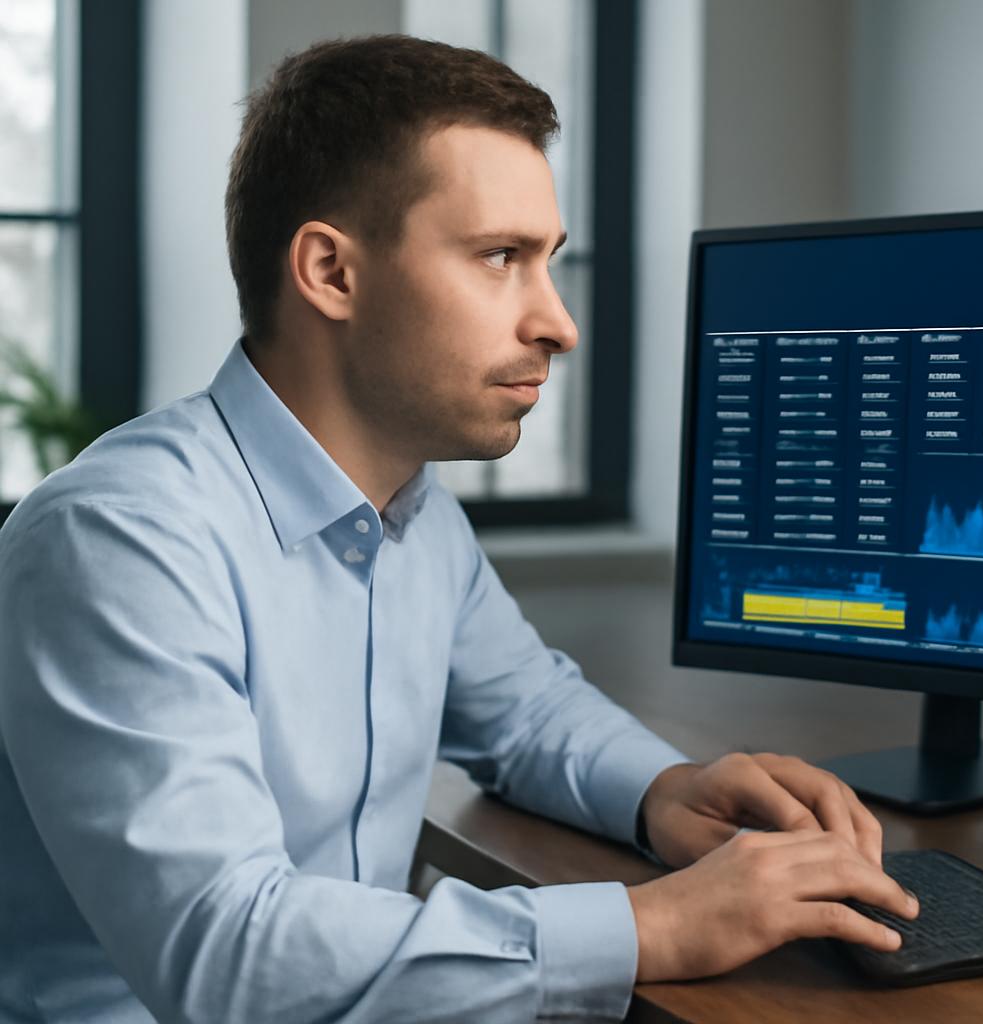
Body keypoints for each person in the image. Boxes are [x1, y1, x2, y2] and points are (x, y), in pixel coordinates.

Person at [0, 34, 917, 1023]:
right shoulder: (118, 542)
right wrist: (653, 925)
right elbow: (228, 953)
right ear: (330, 272)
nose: (559, 324)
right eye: (500, 258)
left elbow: (526, 714)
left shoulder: (412, 510)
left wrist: (666, 788)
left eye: (547, 261)